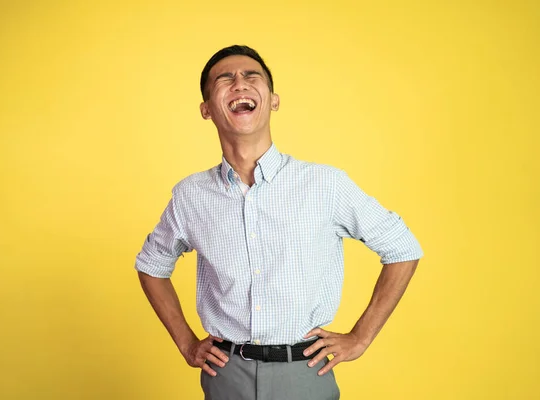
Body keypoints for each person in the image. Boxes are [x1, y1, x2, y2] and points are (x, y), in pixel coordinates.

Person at [135, 45, 423, 400]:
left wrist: (361, 336)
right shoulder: (190, 195)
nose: (239, 83)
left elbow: (402, 248)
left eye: (251, 76)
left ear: (273, 100)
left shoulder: (325, 185)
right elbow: (151, 266)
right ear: (206, 109)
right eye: (225, 79)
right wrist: (186, 343)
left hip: (305, 374)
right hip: (226, 375)